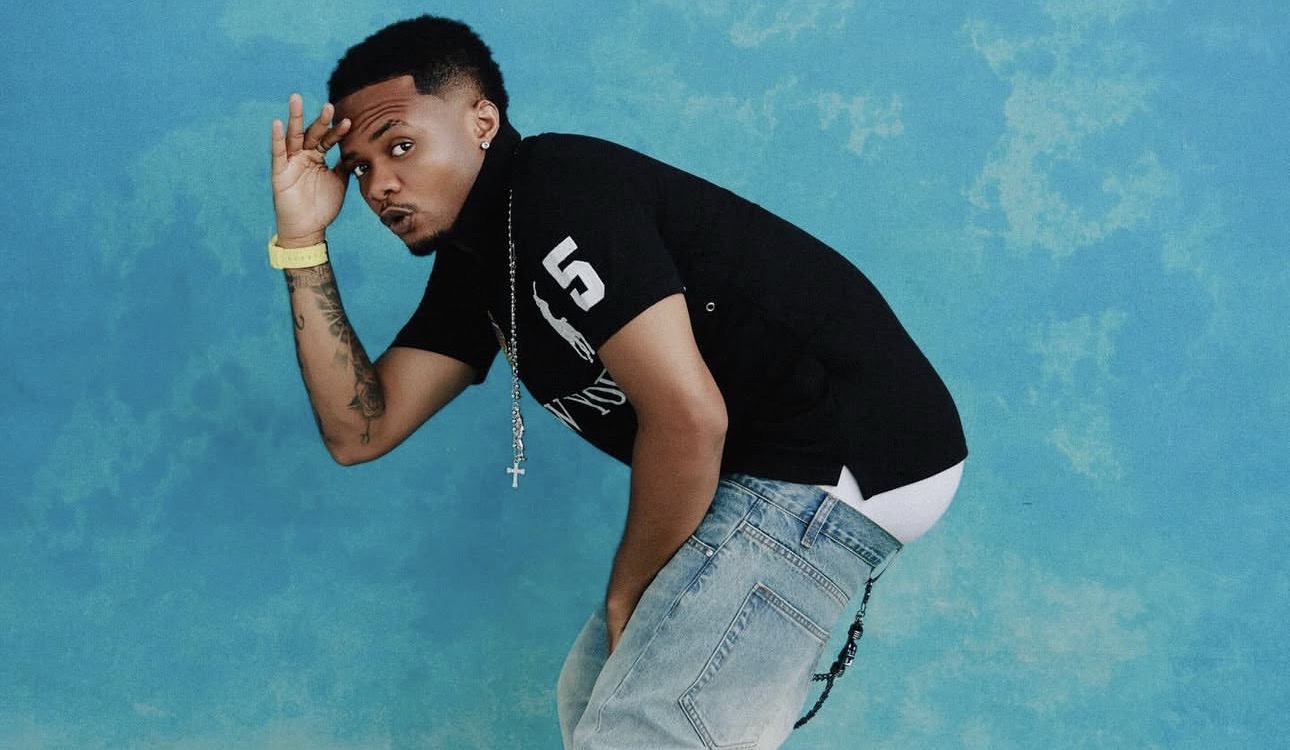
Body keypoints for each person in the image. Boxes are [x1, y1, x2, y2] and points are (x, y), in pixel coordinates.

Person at [267, 15, 966, 749]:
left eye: (400, 146)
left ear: (482, 122)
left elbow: (689, 418)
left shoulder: (557, 188)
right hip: (764, 463)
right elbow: (361, 428)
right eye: (361, 167)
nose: (380, 185)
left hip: (838, 452)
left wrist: (628, 593)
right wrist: (302, 240)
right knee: (591, 697)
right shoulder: (478, 259)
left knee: (643, 726)